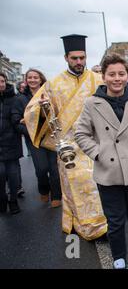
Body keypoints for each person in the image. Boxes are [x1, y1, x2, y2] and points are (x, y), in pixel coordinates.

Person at [24, 34, 107, 240]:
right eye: (74, 58)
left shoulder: (98, 79)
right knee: (73, 185)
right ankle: (78, 223)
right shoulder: (53, 84)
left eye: (82, 57)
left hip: (95, 141)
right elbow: (32, 110)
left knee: (95, 184)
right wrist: (41, 109)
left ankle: (97, 225)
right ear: (66, 58)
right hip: (69, 145)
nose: (79, 62)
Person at [75, 54, 128, 269]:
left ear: (127, 77)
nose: (116, 78)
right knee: (116, 221)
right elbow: (81, 133)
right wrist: (98, 153)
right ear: (104, 76)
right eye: (111, 74)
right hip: (108, 172)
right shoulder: (92, 103)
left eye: (121, 74)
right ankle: (119, 259)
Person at [13, 69, 62, 207]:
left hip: (51, 137)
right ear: (26, 80)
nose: (33, 80)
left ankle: (56, 196)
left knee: (54, 169)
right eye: (30, 77)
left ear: (41, 79)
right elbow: (16, 121)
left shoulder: (49, 95)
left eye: (36, 77)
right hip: (34, 140)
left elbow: (58, 112)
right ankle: (44, 190)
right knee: (41, 168)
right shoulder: (20, 99)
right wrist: (31, 131)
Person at [0, 72, 21, 214]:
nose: (0, 84)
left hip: (11, 143)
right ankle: (2, 201)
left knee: (14, 178)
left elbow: (19, 118)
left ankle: (13, 200)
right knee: (0, 176)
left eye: (2, 81)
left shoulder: (14, 99)